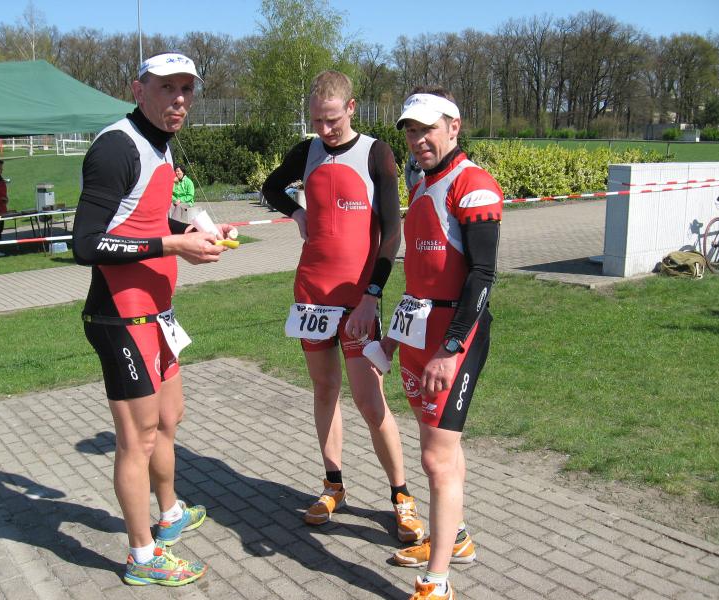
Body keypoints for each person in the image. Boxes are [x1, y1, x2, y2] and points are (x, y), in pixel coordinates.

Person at [72, 52, 235, 587]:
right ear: (138, 90)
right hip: (120, 318)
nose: (179, 99)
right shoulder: (116, 146)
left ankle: (169, 514)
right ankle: (142, 557)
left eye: (187, 88)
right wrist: (171, 244)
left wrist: (196, 231)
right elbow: (86, 243)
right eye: (167, 88)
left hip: (158, 314)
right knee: (137, 438)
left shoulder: (160, 145)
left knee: (169, 418)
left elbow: (142, 216)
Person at [262, 70, 425, 544]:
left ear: (351, 108)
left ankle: (401, 495)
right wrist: (297, 213)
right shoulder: (307, 151)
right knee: (324, 390)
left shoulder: (376, 152)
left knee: (371, 402)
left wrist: (372, 296)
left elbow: (391, 233)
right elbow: (272, 187)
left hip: (358, 299)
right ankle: (333, 484)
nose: (325, 129)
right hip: (312, 292)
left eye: (332, 119)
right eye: (316, 120)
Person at [372, 87, 502, 600]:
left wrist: (450, 349)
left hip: (454, 339)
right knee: (442, 450)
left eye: (427, 128)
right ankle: (456, 538)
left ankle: (438, 581)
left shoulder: (474, 185)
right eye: (410, 130)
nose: (418, 139)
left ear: (454, 126)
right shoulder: (423, 183)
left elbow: (483, 276)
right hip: (419, 333)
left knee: (435, 458)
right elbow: (421, 278)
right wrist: (391, 337)